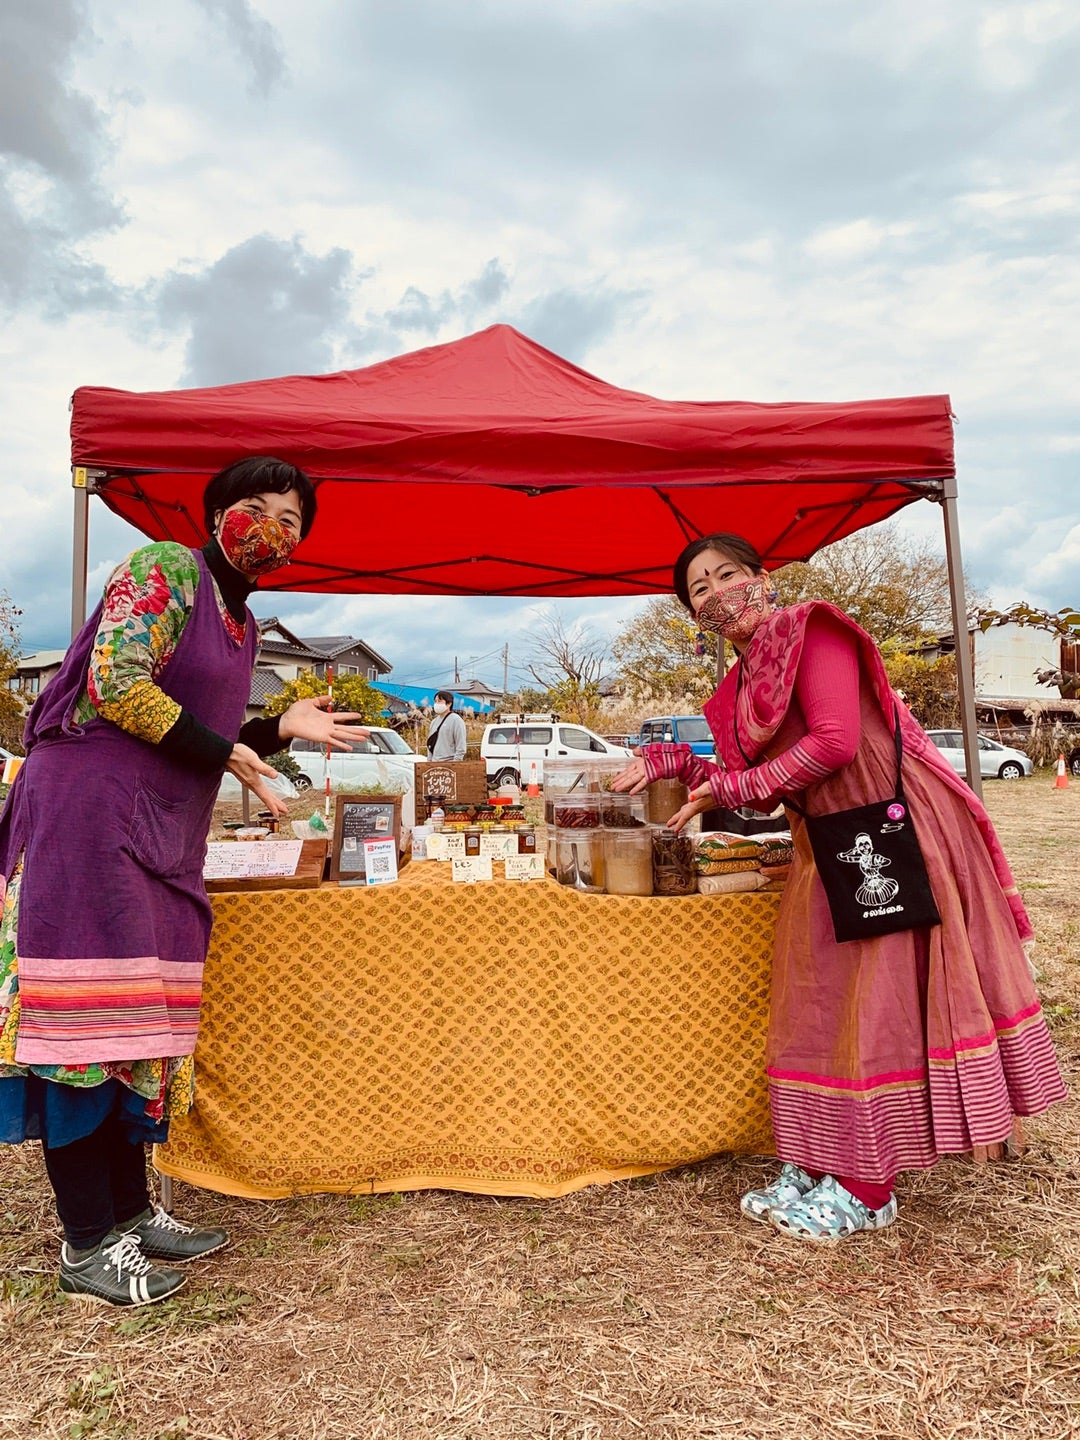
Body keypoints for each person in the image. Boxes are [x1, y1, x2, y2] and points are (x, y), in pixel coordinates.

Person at [613, 532, 1065, 1242]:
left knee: (878, 1000)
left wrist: (732, 781)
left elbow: (834, 743)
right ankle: (826, 1157)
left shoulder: (812, 631)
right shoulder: (731, 693)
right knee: (818, 998)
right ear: (690, 614)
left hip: (893, 829)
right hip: (822, 845)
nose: (716, 593)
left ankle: (869, 1184)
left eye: (727, 574)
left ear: (763, 579)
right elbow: (757, 796)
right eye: (698, 589)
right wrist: (678, 761)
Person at [0, 456, 368, 1306]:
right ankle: (87, 1242)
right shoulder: (165, 568)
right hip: (88, 816)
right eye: (255, 507)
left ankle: (129, 1217)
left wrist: (274, 726)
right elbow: (115, 684)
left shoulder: (243, 625)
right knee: (86, 1028)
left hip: (158, 829)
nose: (272, 528)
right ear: (212, 514)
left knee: (137, 1025)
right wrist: (231, 747)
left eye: (291, 517)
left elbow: (208, 731)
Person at [425, 690, 467, 761]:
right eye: (435, 701)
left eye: (440, 701)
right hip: (434, 764)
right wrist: (429, 762)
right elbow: (430, 744)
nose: (437, 704)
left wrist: (455, 763)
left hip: (449, 763)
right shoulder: (434, 722)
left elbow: (461, 745)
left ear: (449, 704)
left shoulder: (456, 720)